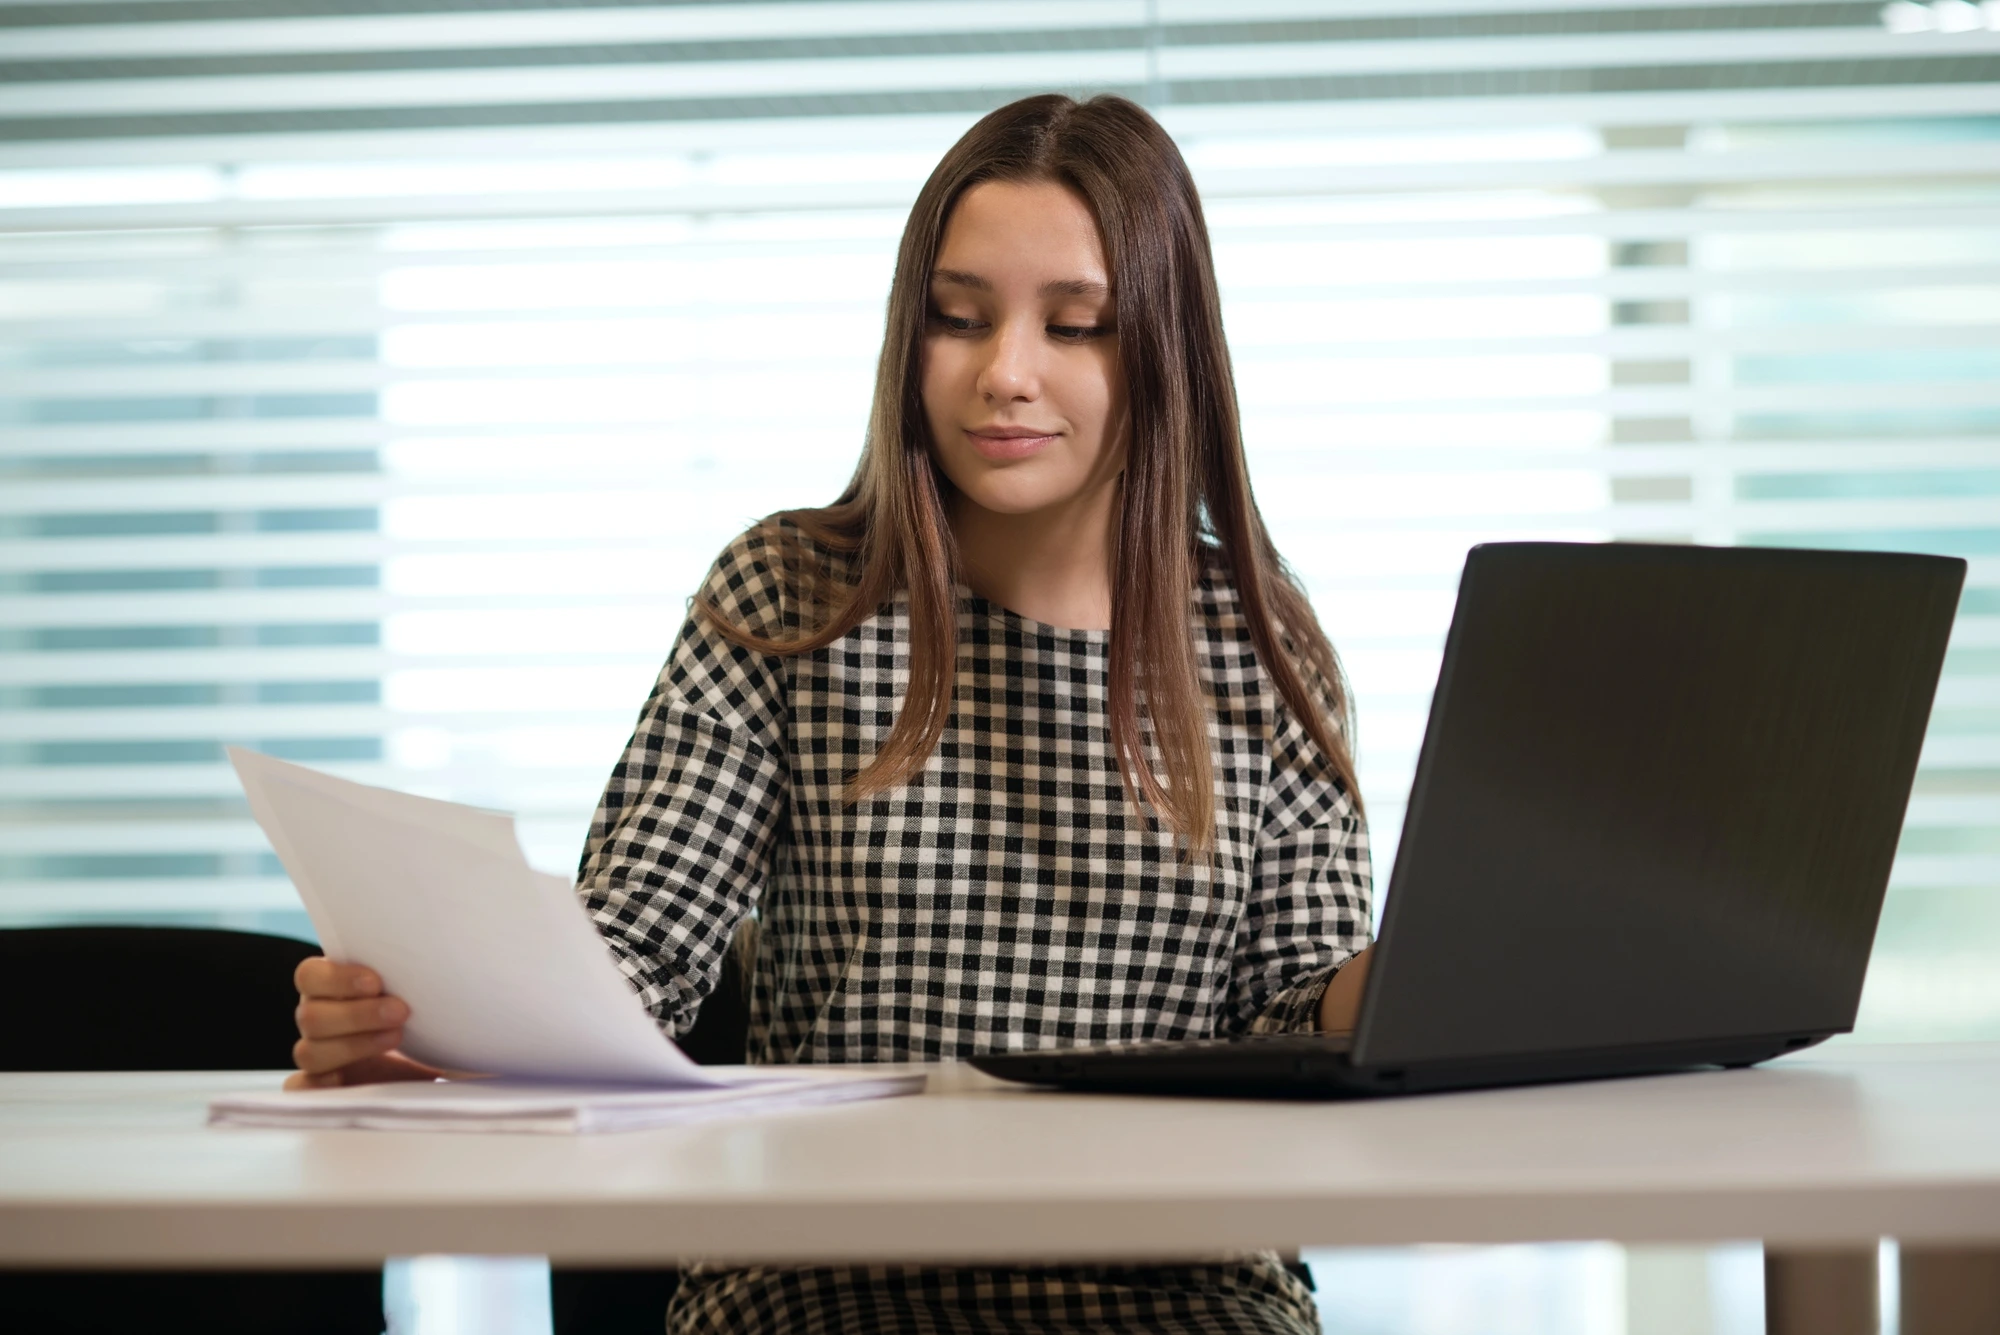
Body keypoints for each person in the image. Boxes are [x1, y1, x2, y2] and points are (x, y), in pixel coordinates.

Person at [289, 92, 1374, 1335]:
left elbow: (1292, 1014)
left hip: (1175, 1288)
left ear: (1163, 352)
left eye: (1075, 326)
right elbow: (633, 954)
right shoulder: (793, 599)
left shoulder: (1261, 650)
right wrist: (428, 1038)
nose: (1002, 373)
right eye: (957, 320)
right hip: (824, 1279)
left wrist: (1403, 985)